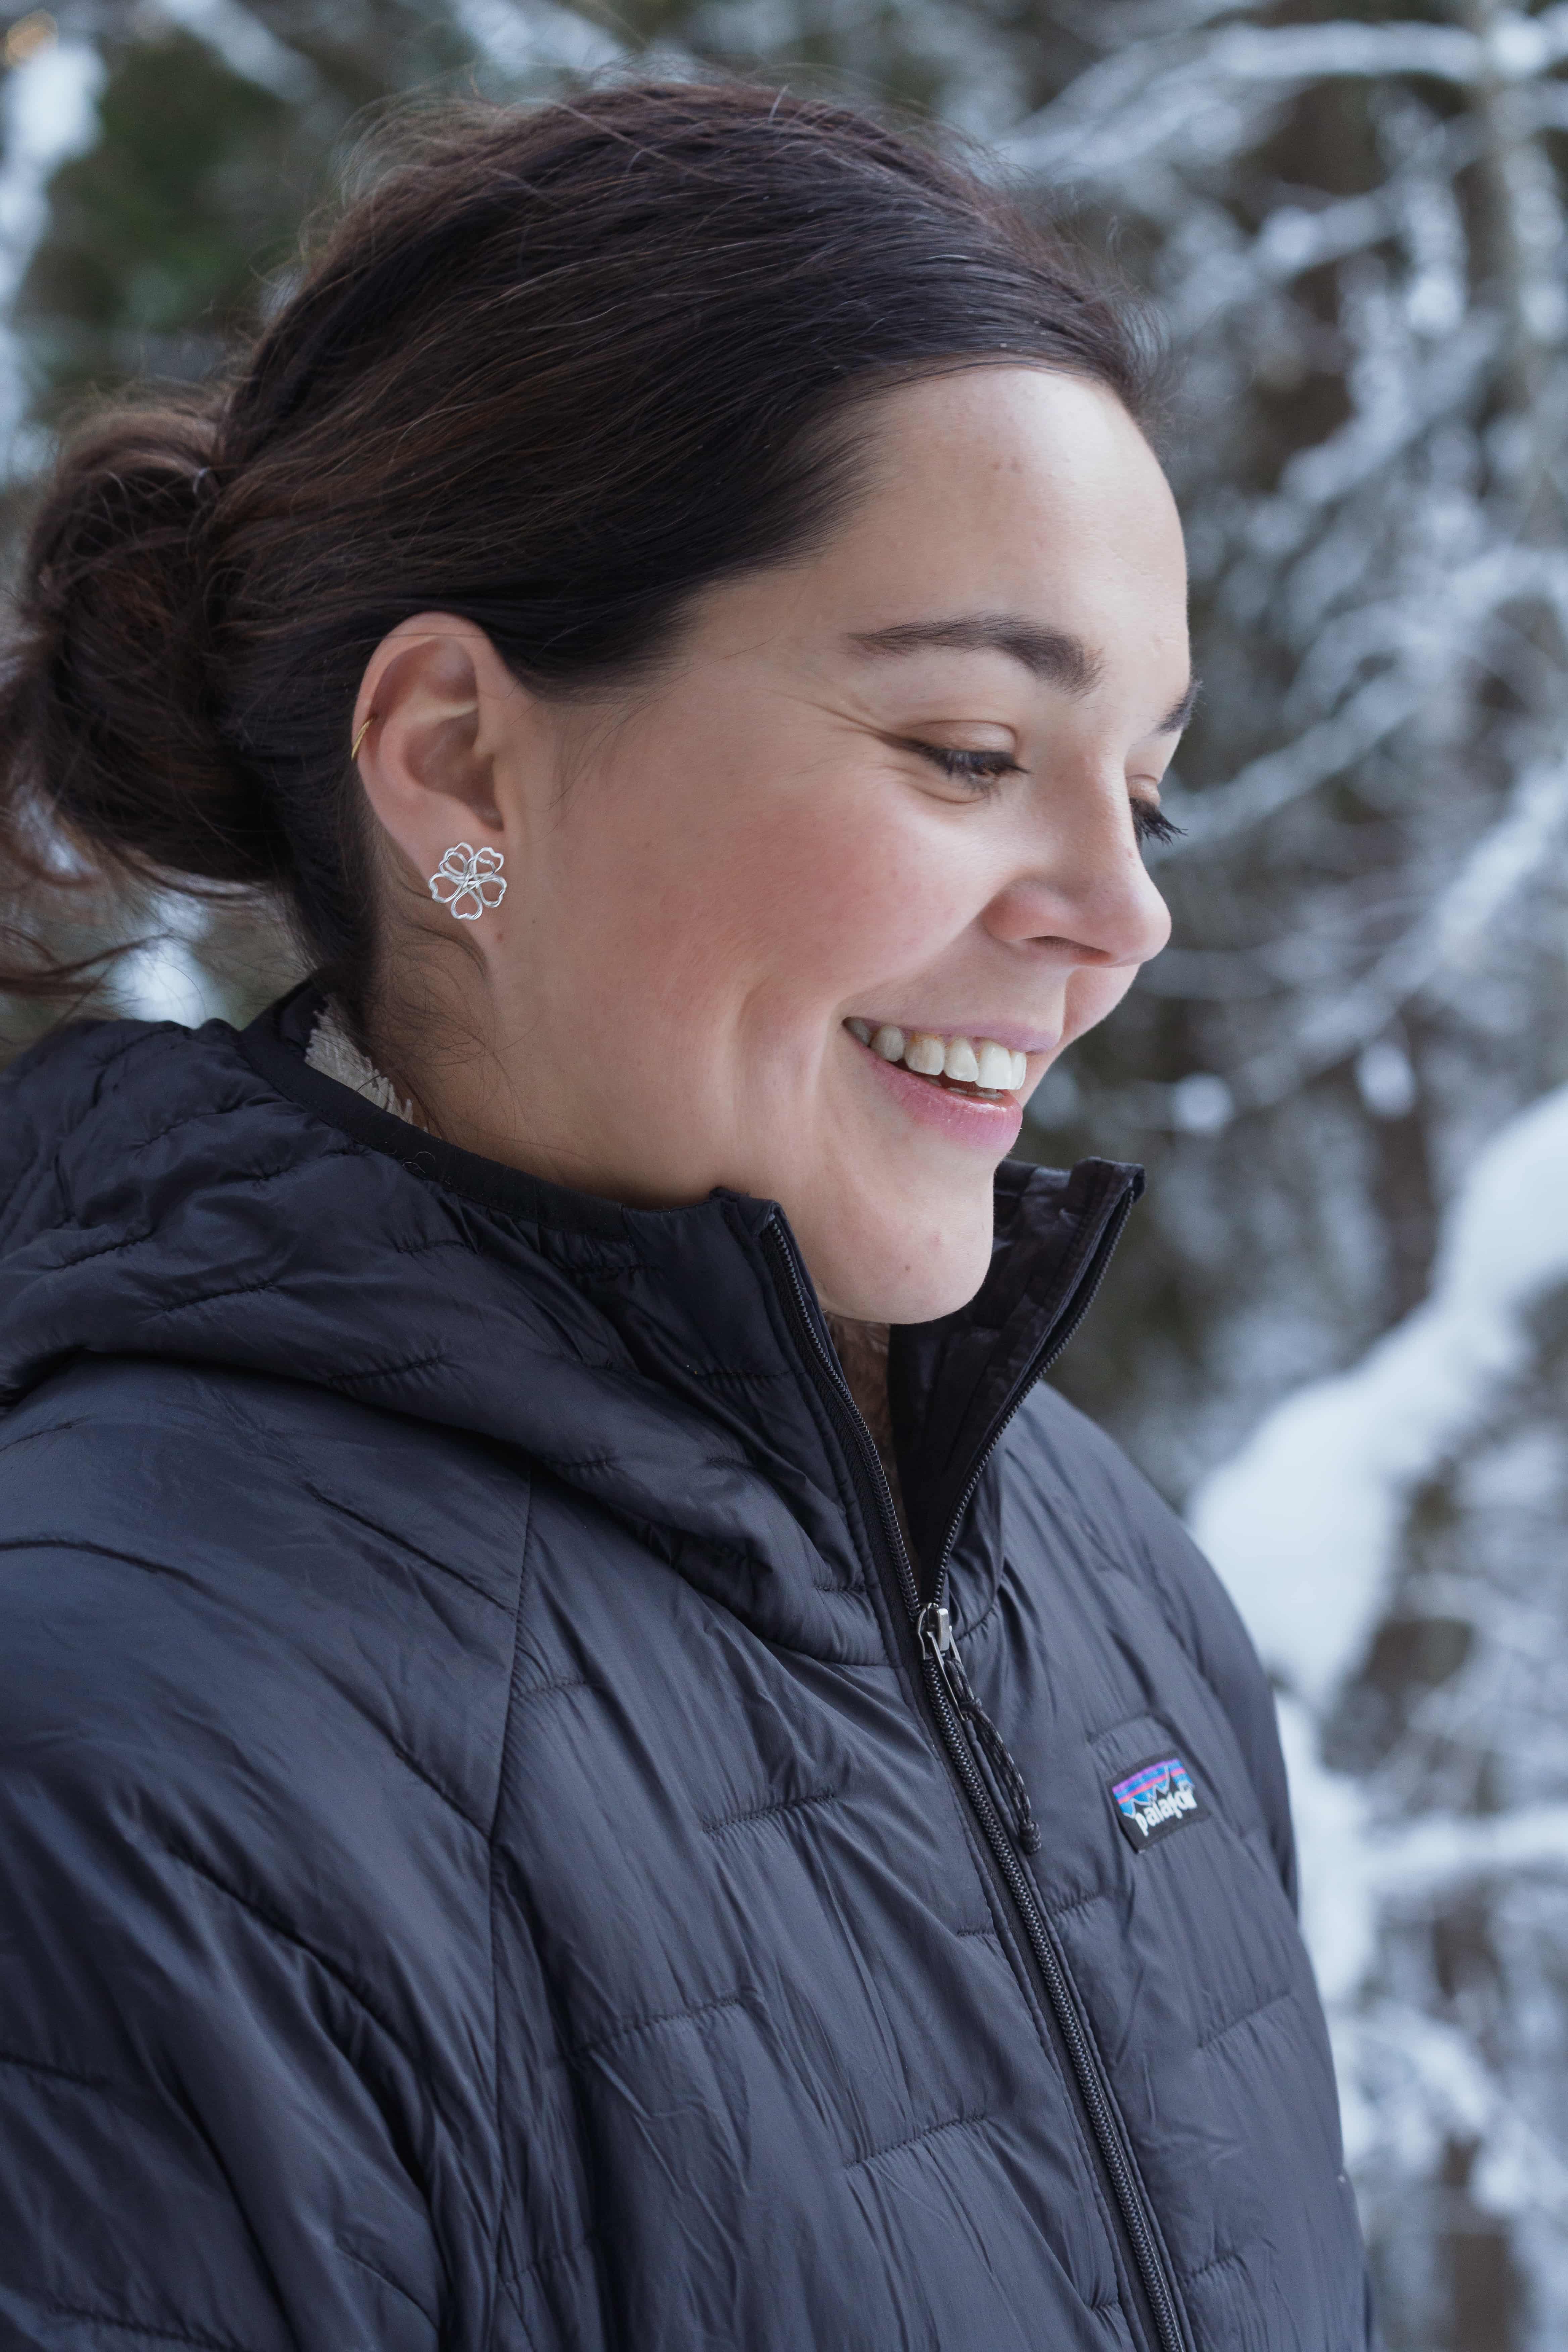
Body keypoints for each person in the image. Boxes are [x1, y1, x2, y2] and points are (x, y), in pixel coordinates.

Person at [0, 81, 1373, 2352]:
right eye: (963, 750)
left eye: (1147, 781)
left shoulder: (1100, 1575)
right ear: (455, 756)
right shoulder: (112, 1767)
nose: (1124, 915)